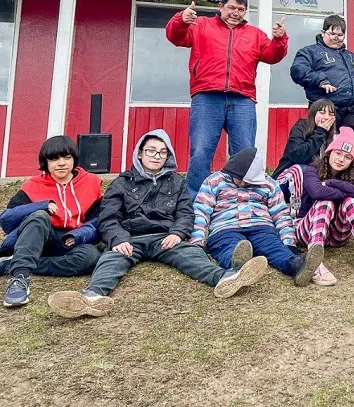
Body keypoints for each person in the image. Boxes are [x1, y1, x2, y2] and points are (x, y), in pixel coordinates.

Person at [46, 130, 269, 318]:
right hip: (131, 238)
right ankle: (92, 297)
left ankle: (226, 278)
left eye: (162, 152)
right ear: (140, 153)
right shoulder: (121, 183)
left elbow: (185, 213)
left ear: (168, 156)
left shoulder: (176, 182)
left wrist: (178, 233)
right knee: (110, 259)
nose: (156, 156)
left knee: (192, 255)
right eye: (151, 151)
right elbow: (108, 217)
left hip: (165, 237)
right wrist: (119, 238)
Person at [166, 0, 288, 196]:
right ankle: (197, 199)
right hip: (206, 96)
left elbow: (272, 56)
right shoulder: (201, 25)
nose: (236, 13)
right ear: (220, 7)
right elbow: (175, 37)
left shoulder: (255, 34)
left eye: (241, 9)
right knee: (201, 151)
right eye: (231, 7)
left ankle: (243, 197)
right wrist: (181, 20)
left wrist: (279, 39)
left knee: (244, 152)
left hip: (242, 99)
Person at [0, 136, 102, 308]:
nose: (61, 163)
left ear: (74, 159)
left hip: (69, 241)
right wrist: (42, 206)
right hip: (36, 236)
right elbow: (7, 220)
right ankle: (20, 278)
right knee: (39, 216)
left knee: (91, 257)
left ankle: (11, 263)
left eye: (67, 157)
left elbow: (97, 221)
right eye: (54, 159)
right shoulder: (32, 186)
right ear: (45, 162)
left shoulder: (91, 183)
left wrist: (77, 235)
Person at [290, 14, 354, 206]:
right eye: (332, 34)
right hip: (326, 107)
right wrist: (320, 79)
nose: (336, 38)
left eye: (341, 35)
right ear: (323, 32)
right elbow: (297, 71)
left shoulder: (352, 58)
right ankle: (320, 186)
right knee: (324, 146)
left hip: (353, 109)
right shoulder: (310, 52)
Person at [191, 147, 313, 286]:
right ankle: (236, 266)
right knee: (228, 246)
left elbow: (281, 214)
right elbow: (200, 211)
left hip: (261, 226)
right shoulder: (213, 181)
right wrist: (197, 241)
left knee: (273, 246)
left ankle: (296, 265)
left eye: (248, 182)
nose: (243, 184)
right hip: (225, 227)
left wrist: (289, 242)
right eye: (240, 179)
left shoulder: (269, 184)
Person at [281, 127, 354, 286]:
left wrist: (332, 183)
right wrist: (344, 191)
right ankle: (315, 264)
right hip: (307, 230)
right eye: (338, 153)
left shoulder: (352, 174)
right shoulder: (313, 169)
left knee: (352, 201)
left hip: (336, 235)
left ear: (351, 162)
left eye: (347, 157)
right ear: (329, 152)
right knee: (325, 202)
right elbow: (317, 192)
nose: (341, 159)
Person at [272, 98, 337, 178]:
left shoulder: (334, 135)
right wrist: (320, 132)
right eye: (322, 113)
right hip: (289, 177)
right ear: (313, 114)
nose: (327, 117)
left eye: (331, 114)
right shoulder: (300, 127)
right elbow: (297, 156)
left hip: (315, 180)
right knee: (305, 170)